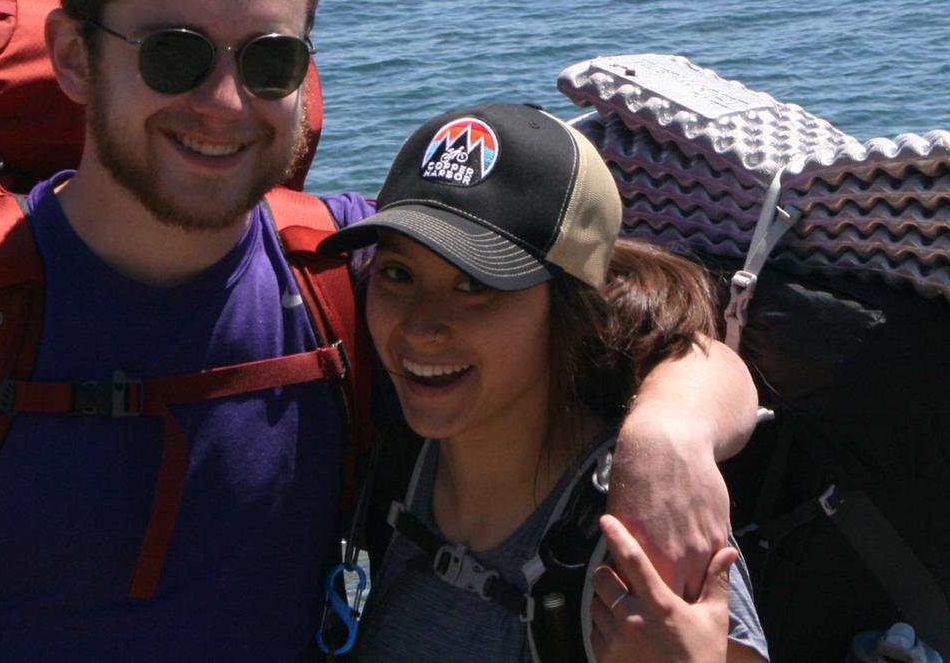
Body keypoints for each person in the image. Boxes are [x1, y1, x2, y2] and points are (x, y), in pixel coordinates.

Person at [0, 0, 757, 661]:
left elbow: (661, 332)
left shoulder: (347, 272)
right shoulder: (12, 300)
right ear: (73, 55)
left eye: (270, 59)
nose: (225, 102)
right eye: (174, 54)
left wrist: (667, 434)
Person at [318, 102, 768, 662]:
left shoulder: (642, 526)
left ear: (572, 307)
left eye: (473, 285)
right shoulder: (396, 442)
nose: (419, 328)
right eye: (397, 273)